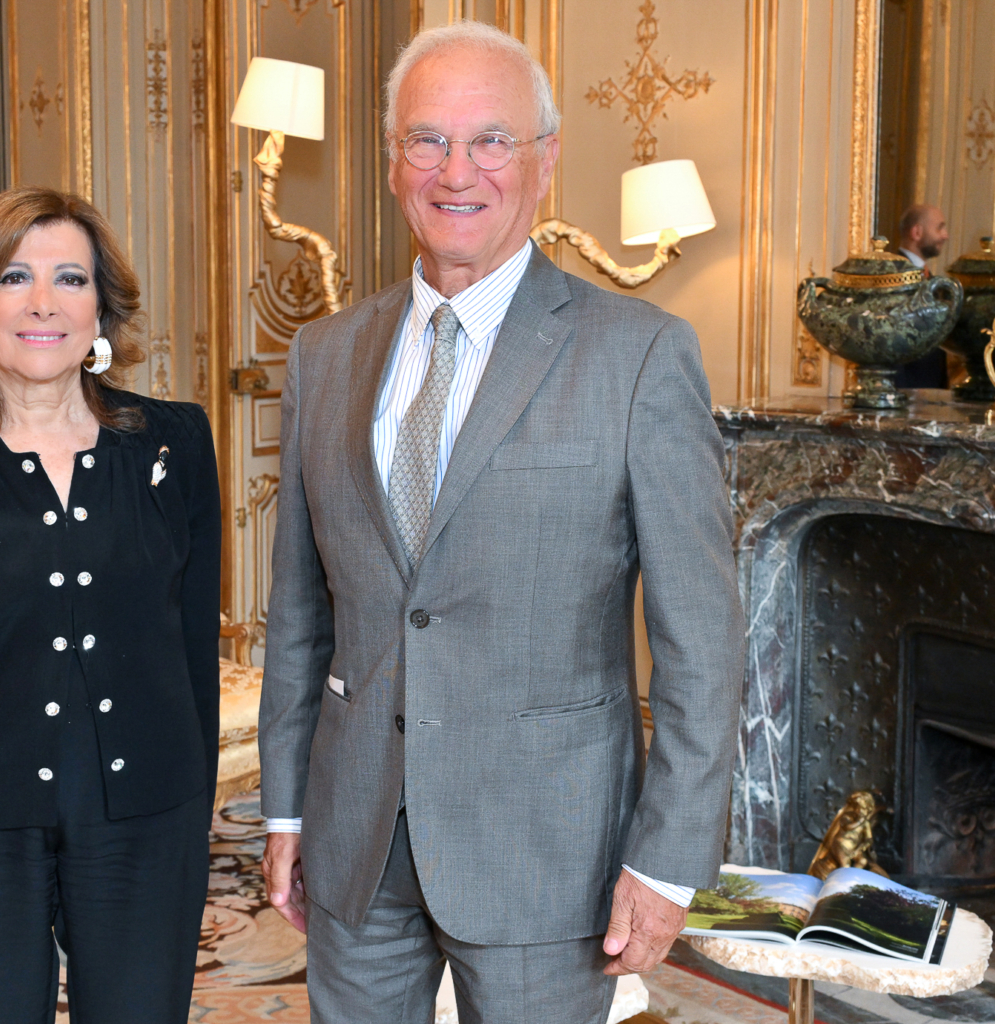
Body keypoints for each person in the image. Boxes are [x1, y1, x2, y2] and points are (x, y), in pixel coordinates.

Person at [258, 21, 744, 1024]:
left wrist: (667, 857)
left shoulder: (639, 356)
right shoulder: (324, 354)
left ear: (545, 159)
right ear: (392, 160)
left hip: (546, 850)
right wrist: (288, 807)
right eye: (427, 140)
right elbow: (302, 614)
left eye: (492, 140)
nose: (456, 171)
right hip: (356, 835)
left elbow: (701, 637)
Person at [0, 186, 221, 1024]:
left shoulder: (175, 444)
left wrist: (189, 827)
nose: (42, 303)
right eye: (14, 277)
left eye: (70, 278)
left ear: (101, 308)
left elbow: (191, 654)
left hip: (145, 819)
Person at [894, 204, 950, 388]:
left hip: (930, 387)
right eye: (939, 228)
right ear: (917, 232)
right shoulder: (894, 274)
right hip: (905, 387)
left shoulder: (928, 276)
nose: (945, 235)